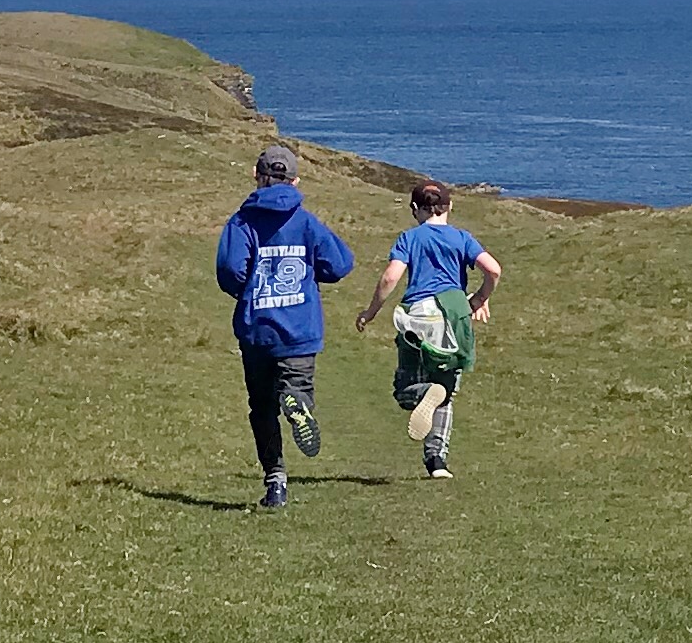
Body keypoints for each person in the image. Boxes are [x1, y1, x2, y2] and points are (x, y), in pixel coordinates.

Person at [214, 142, 355, 512]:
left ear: (257, 177)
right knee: (297, 387)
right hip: (299, 330)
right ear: (294, 180)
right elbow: (340, 264)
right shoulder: (306, 221)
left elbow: (230, 270)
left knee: (261, 407)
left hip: (257, 329)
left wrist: (246, 292)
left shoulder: (242, 222)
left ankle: (275, 480)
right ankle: (299, 403)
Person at [355, 178, 501, 480]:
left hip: (420, 315)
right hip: (455, 314)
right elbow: (493, 269)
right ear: (450, 206)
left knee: (406, 388)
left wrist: (370, 313)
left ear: (414, 209)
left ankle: (423, 393)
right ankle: (437, 461)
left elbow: (390, 278)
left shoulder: (410, 238)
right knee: (445, 391)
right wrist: (480, 298)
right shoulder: (462, 238)